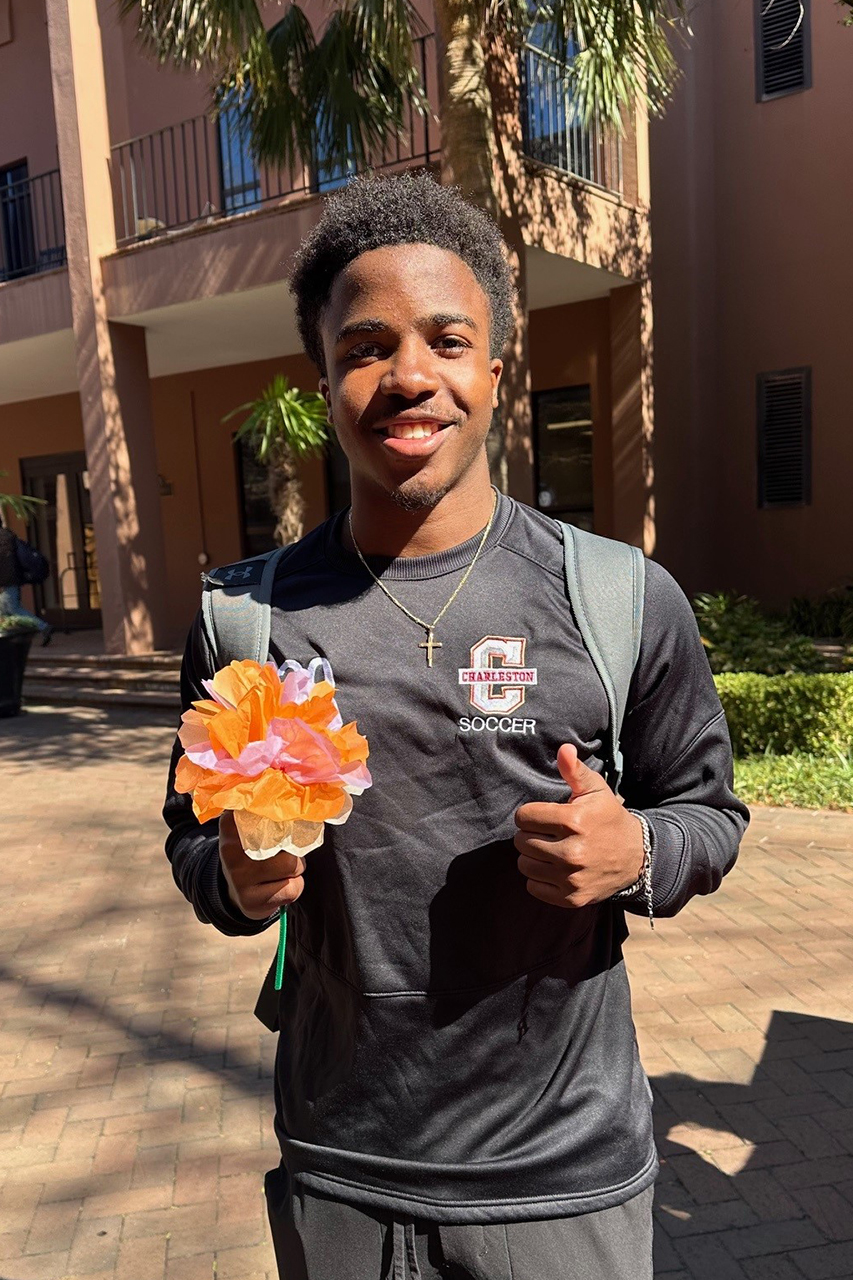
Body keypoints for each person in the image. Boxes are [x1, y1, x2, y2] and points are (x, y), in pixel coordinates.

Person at [164, 172, 748, 1280]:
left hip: (561, 1170)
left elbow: (710, 813)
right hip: (341, 1160)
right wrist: (231, 880)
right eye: (367, 344)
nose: (409, 374)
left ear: (494, 367)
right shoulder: (243, 620)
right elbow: (190, 834)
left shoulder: (617, 597)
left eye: (445, 337)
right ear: (327, 376)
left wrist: (638, 852)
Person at [0, 510, 52, 644]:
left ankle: (43, 627)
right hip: (11, 581)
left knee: (13, 609)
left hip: (8, 582)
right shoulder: (9, 537)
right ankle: (12, 640)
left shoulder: (3, 539)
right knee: (5, 612)